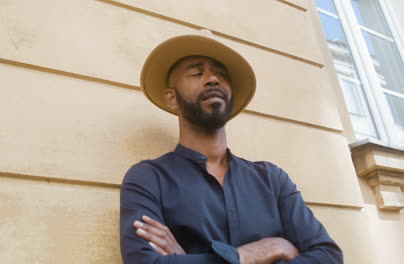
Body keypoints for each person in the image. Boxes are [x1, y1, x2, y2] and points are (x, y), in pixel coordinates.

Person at [120, 30, 343, 264]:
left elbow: (328, 256)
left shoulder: (272, 180)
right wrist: (251, 254)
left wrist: (189, 260)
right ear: (172, 98)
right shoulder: (148, 178)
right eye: (197, 73)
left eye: (221, 74)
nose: (213, 79)